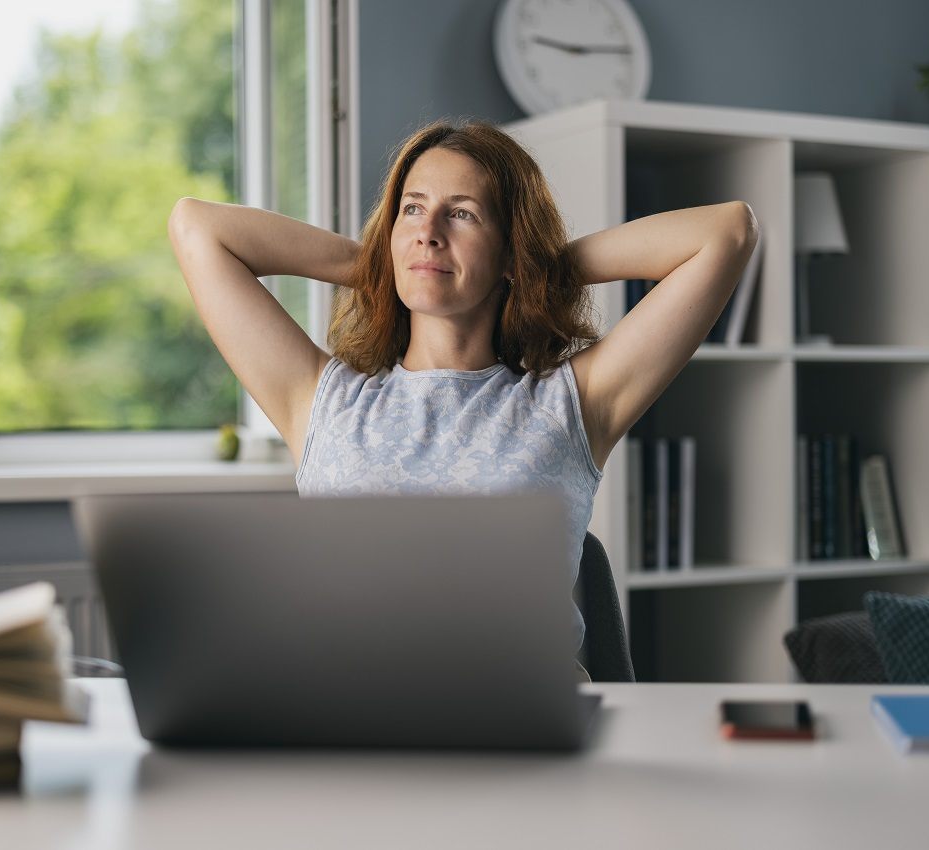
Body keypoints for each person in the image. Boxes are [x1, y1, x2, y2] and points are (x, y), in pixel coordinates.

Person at [167, 119, 759, 679]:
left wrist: (537, 269)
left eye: (463, 215)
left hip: (522, 733)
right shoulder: (322, 401)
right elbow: (196, 227)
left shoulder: (572, 403)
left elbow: (726, 232)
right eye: (413, 209)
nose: (429, 231)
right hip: (353, 729)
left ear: (509, 249)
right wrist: (381, 264)